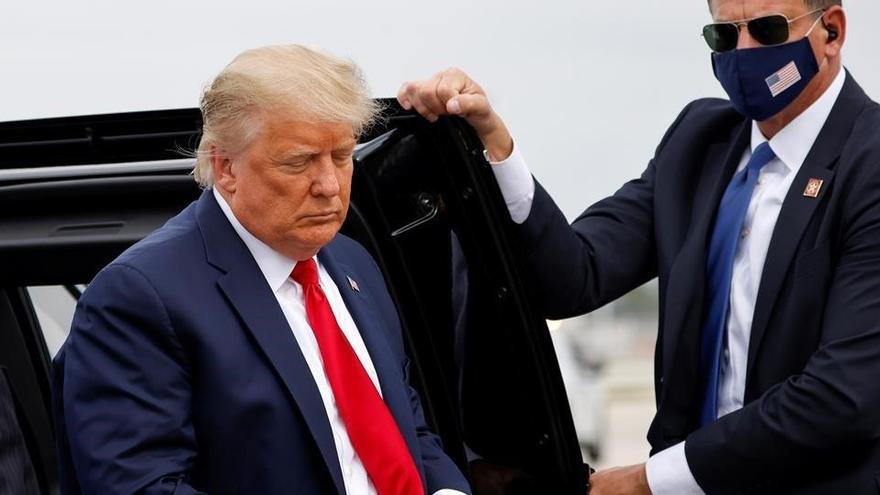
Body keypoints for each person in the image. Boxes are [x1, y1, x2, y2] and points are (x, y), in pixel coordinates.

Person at [399, 0, 880, 493]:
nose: (744, 51)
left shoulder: (869, 163)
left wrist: (649, 480)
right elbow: (576, 275)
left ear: (833, 32)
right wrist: (495, 145)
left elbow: (844, 397)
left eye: (767, 29)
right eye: (724, 36)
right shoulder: (699, 143)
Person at [53, 44, 471, 495]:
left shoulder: (353, 262)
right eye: (299, 161)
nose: (329, 186)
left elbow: (407, 430)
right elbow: (142, 486)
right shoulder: (140, 295)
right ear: (225, 166)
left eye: (342, 156)